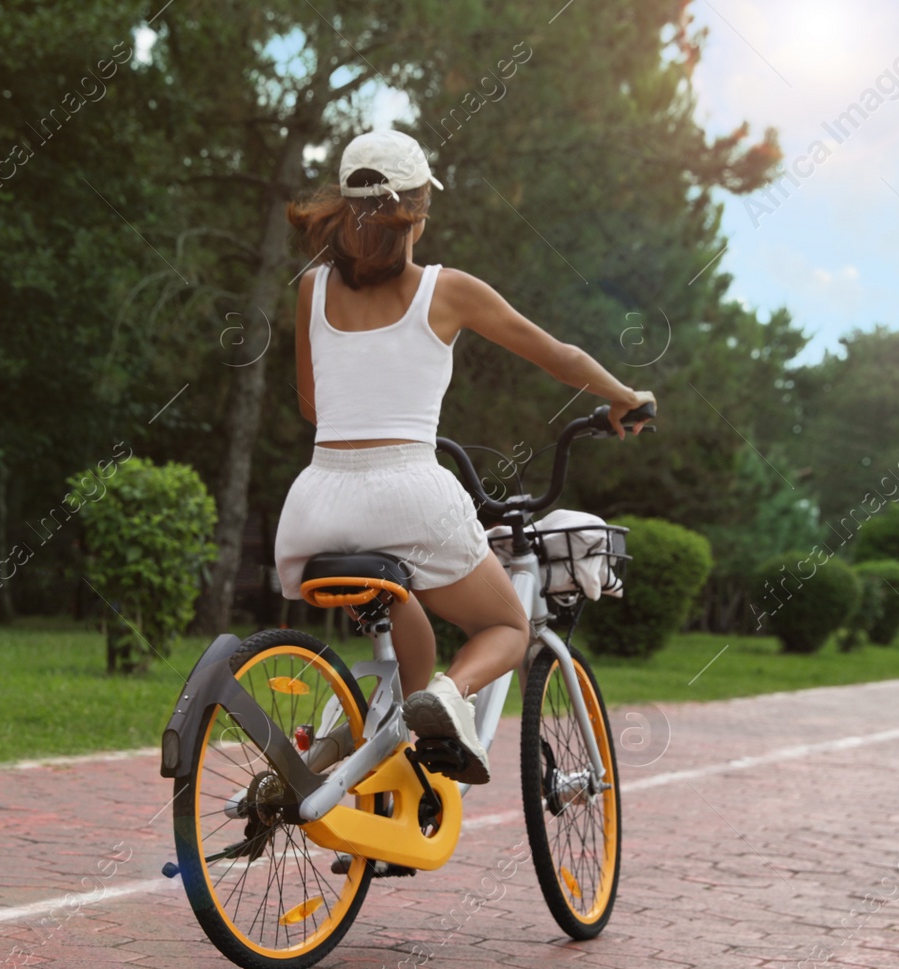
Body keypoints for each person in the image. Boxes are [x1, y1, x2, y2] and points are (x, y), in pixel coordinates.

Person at [274, 130, 654, 785]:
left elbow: (315, 407)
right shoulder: (446, 291)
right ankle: (454, 696)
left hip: (316, 503)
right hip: (410, 495)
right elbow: (555, 354)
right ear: (417, 213)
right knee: (506, 623)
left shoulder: (311, 289)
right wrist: (624, 396)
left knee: (408, 645)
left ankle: (355, 754)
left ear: (343, 206)